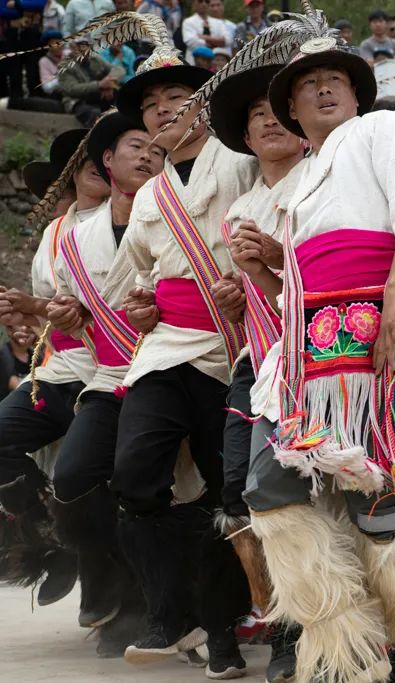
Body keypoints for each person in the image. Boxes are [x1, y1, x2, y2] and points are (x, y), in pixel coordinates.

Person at [246, 28, 395, 682]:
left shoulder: (384, 131)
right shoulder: (296, 184)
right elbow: (296, 287)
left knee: (379, 490)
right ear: (292, 111)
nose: (322, 89)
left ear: (356, 94)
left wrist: (394, 295)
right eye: (306, 84)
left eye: (336, 80)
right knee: (267, 486)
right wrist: (270, 267)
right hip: (309, 350)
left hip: (379, 331)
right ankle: (339, 634)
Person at [98, 17, 258, 673]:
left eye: (176, 100)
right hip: (165, 349)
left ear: (203, 105)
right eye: (150, 106)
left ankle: (221, 627)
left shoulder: (244, 162)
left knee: (230, 497)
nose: (163, 111)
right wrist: (139, 303)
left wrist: (254, 287)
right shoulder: (147, 197)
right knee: (134, 478)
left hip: (236, 347)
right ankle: (174, 611)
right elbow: (135, 277)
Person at [199, 63, 310, 683]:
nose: (266, 121)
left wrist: (278, 258)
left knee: (297, 495)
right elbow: (247, 290)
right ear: (244, 137)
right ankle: (280, 624)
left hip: (315, 358)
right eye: (254, 117)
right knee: (241, 493)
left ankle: (309, 631)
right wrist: (233, 297)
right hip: (255, 362)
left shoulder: (323, 183)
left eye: (276, 111)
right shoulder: (240, 206)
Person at [45, 111, 165, 658]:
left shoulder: (177, 217)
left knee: (144, 483)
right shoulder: (74, 240)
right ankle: (105, 575)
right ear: (106, 163)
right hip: (108, 374)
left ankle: (156, 603)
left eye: (154, 149)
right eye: (132, 146)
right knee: (70, 477)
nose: (145, 155)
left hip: (173, 368)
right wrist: (71, 316)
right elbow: (82, 317)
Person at [0, 128, 107, 609]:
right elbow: (54, 321)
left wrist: (36, 308)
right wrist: (28, 329)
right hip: (59, 373)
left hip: (110, 373)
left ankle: (107, 583)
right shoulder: (54, 234)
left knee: (89, 477)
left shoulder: (135, 218)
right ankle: (47, 534)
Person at [58, 37, 118, 126]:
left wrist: (109, 85)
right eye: (79, 45)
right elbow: (72, 89)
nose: (83, 48)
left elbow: (117, 70)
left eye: (85, 45)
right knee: (94, 113)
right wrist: (99, 85)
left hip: (97, 96)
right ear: (72, 47)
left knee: (120, 101)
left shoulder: (95, 59)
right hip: (77, 101)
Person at [182, 0, 230, 65]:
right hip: (194, 64)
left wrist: (204, 37)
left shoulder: (218, 22)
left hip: (215, 65)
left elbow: (227, 41)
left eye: (207, 1)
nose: (204, 4)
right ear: (194, 4)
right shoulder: (188, 22)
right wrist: (217, 42)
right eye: (200, 1)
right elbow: (192, 42)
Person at [0, 326, 33, 399]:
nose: (24, 329)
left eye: (29, 326)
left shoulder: (37, 356)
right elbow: (15, 384)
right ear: (9, 330)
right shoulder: (3, 355)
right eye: (20, 324)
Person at [38, 29, 65, 101]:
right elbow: (46, 87)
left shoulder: (68, 54)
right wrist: (63, 77)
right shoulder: (44, 61)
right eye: (56, 43)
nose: (59, 45)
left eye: (60, 42)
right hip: (58, 95)